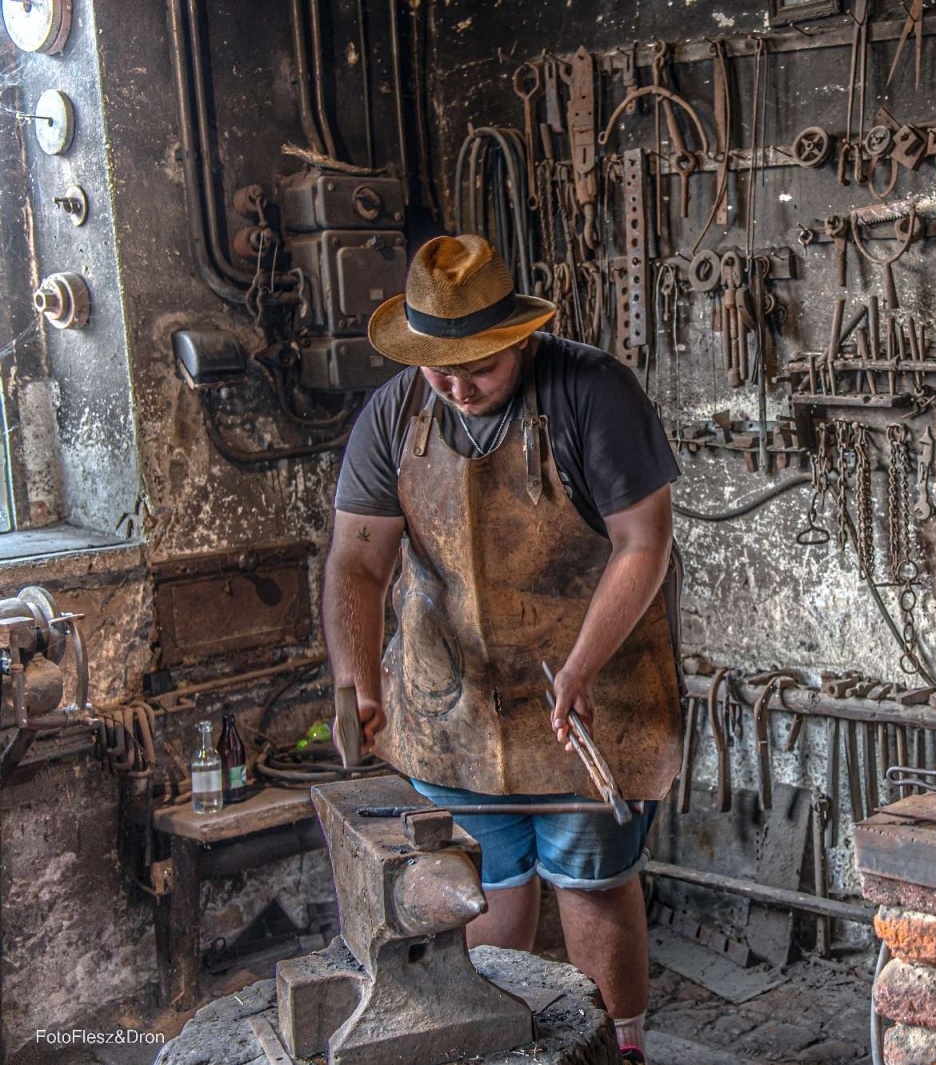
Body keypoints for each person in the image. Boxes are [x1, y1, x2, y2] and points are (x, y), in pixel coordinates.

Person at [323, 234, 683, 1065]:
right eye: (437, 369)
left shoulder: (594, 393)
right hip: (450, 703)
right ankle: (499, 1046)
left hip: (593, 690)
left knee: (590, 885)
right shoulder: (395, 417)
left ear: (517, 335)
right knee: (476, 893)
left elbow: (642, 541)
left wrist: (585, 664)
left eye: (476, 367)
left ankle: (619, 1048)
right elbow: (358, 561)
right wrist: (354, 683)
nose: (455, 386)